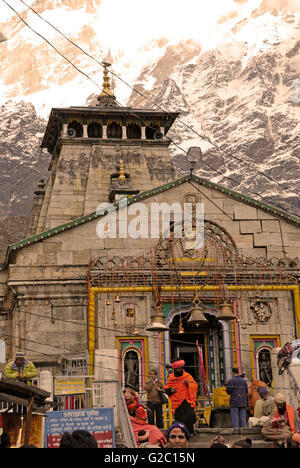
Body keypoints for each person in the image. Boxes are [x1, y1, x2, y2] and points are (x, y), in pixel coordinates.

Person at [164, 359, 198, 437]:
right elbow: (166, 389)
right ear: (174, 369)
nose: (178, 370)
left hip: (187, 400)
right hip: (177, 403)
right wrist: (170, 390)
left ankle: (190, 432)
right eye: (177, 369)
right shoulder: (171, 378)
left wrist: (189, 384)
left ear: (182, 368)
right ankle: (181, 434)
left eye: (180, 368)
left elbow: (195, 386)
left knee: (189, 416)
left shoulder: (187, 376)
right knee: (179, 419)